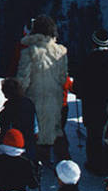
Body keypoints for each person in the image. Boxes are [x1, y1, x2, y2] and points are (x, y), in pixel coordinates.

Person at [15, 14, 68, 164]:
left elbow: (22, 80)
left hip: (34, 100)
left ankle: (37, 161)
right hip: (55, 100)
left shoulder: (28, 52)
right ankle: (59, 159)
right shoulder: (61, 52)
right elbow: (63, 79)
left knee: (35, 132)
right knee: (53, 129)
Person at [72, 29, 108, 174]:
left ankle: (95, 164)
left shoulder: (87, 61)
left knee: (94, 134)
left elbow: (78, 85)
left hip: (92, 104)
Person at [0, 78, 37, 162]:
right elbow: (35, 127)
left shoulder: (10, 107)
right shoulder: (29, 103)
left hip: (15, 144)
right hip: (29, 142)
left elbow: (6, 129)